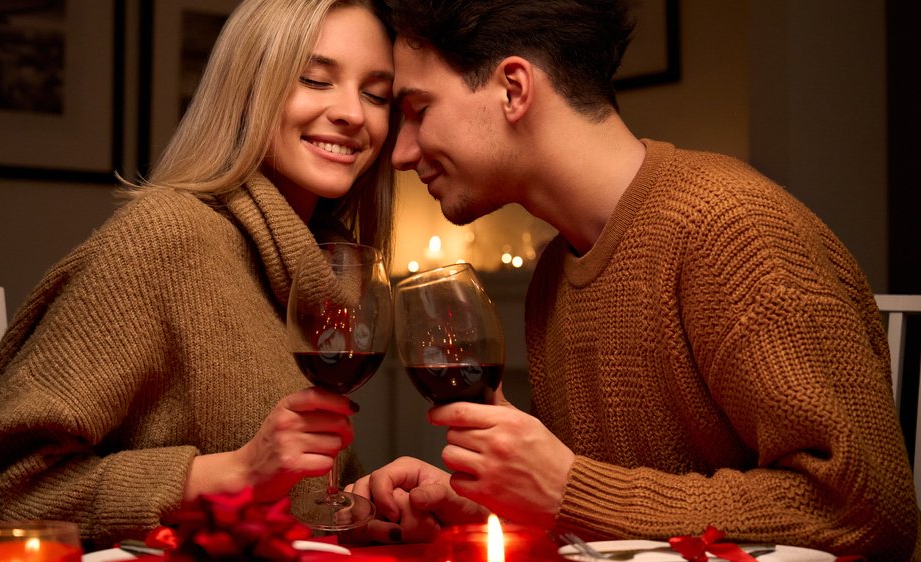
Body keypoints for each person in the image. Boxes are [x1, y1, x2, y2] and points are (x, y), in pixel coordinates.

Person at [347, 0, 921, 559]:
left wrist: (568, 489)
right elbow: (619, 513)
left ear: (514, 89)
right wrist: (487, 502)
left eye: (418, 109)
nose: (398, 151)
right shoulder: (555, 273)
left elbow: (866, 508)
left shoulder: (731, 230)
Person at [0, 0, 396, 559]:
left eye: (376, 95)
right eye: (315, 80)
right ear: (248, 89)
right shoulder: (167, 238)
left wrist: (362, 502)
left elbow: (279, 504)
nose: (353, 113)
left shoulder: (325, 267)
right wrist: (228, 473)